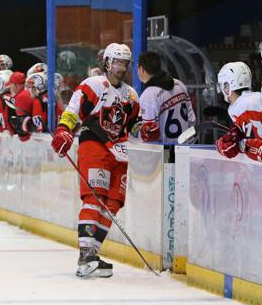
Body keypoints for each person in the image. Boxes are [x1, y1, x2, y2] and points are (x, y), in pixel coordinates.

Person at [50, 43, 139, 279]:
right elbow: (73, 110)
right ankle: (85, 254)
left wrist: (144, 129)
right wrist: (63, 129)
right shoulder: (94, 85)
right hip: (95, 146)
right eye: (117, 62)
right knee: (95, 197)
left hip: (120, 152)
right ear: (107, 62)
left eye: (125, 63)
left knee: (113, 203)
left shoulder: (131, 94)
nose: (121, 67)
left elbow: (133, 124)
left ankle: (93, 254)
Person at [213, 62, 262, 164]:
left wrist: (239, 145)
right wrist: (236, 135)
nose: (222, 90)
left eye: (223, 85)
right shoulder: (248, 100)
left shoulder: (246, 104)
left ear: (228, 86)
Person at [136, 50, 196, 144]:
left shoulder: (148, 95)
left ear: (141, 69)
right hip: (186, 146)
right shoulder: (179, 84)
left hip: (166, 150)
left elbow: (149, 133)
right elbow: (192, 119)